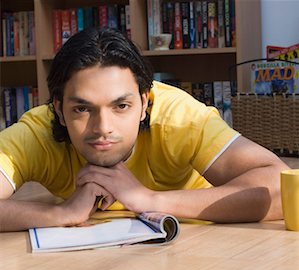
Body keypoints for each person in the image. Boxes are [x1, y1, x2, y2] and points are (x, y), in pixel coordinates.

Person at [0, 27, 289, 232]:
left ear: (144, 103)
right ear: (59, 110)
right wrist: (61, 213)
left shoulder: (179, 119)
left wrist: (149, 198)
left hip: (198, 249)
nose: (103, 128)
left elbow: (279, 186)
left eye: (121, 106)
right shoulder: (39, 132)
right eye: (82, 109)